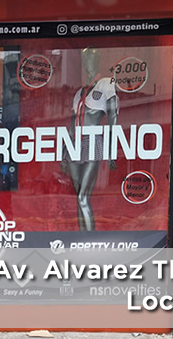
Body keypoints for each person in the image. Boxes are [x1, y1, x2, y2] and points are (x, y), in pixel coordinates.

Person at [63, 48, 118, 231]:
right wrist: (64, 153)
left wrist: (111, 150)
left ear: (98, 60)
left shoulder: (106, 84)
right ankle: (82, 238)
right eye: (85, 58)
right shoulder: (79, 92)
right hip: (74, 143)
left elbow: (113, 117)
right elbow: (72, 123)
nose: (88, 62)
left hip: (93, 141)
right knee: (78, 196)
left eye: (92, 57)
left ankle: (89, 239)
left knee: (83, 197)